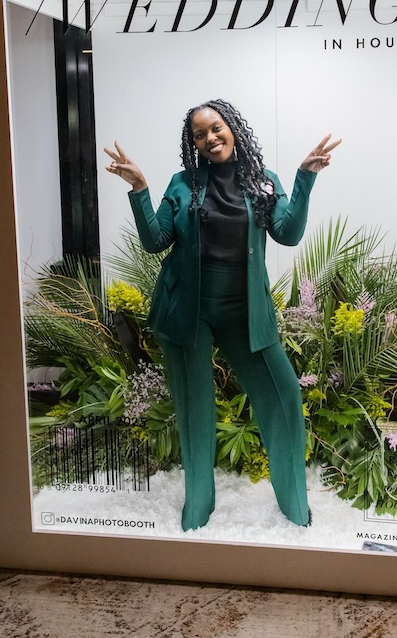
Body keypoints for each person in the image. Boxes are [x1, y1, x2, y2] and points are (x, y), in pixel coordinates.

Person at [105, 99, 341, 531]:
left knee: (284, 399)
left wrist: (305, 179)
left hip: (244, 310)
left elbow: (288, 233)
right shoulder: (182, 184)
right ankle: (198, 508)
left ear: (232, 127)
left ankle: (293, 507)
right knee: (195, 412)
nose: (210, 138)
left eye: (216, 128)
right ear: (192, 143)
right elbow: (156, 241)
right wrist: (139, 188)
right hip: (185, 313)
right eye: (200, 134)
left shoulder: (262, 183)